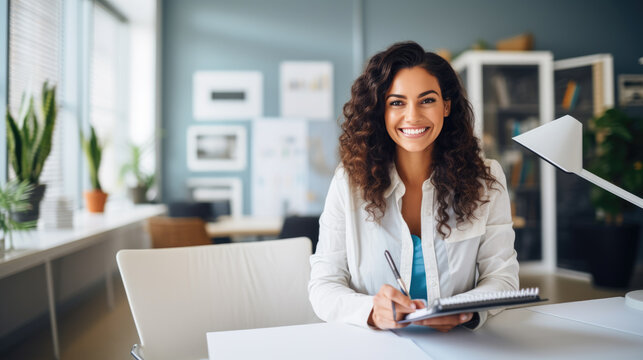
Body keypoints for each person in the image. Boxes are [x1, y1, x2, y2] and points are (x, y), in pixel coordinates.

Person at [308, 41, 519, 332]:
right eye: (397, 102)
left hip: (461, 346)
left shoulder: (487, 180)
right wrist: (371, 311)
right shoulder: (349, 182)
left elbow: (503, 277)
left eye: (427, 100)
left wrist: (462, 312)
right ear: (380, 110)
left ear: (446, 105)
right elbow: (323, 286)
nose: (412, 116)